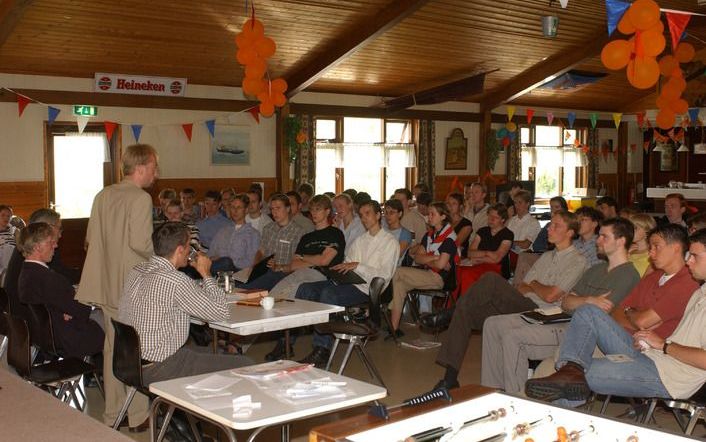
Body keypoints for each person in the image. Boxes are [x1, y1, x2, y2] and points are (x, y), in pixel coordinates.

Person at [525, 227, 706, 403]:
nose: (688, 261)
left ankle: (543, 415)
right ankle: (569, 373)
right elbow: (619, 311)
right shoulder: (700, 292)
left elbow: (644, 322)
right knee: (587, 313)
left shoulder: (689, 285)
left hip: (672, 377)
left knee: (570, 376)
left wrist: (663, 344)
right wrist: (634, 317)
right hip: (652, 356)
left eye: (694, 256)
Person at [423, 210, 588, 391]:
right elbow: (521, 287)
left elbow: (551, 296)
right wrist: (535, 286)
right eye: (550, 224)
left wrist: (533, 285)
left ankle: (448, 314)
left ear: (570, 232)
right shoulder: (546, 256)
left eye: (556, 226)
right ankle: (450, 379)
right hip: (522, 302)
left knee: (491, 279)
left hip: (543, 312)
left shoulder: (578, 261)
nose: (549, 229)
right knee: (466, 313)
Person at [479, 218, 640, 394]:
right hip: (564, 320)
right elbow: (566, 302)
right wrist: (589, 300)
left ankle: (516, 397)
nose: (598, 240)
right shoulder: (596, 269)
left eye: (604, 236)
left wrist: (581, 301)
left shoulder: (628, 275)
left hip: (585, 336)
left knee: (513, 337)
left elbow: (601, 312)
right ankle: (493, 390)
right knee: (492, 323)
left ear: (621, 241)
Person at [76, 143, 158, 428]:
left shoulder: (103, 194)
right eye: (154, 167)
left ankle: (114, 413)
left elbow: (89, 240)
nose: (156, 174)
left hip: (107, 284)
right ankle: (137, 415)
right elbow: (141, 244)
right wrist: (163, 258)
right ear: (142, 167)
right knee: (135, 349)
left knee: (113, 347)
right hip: (131, 285)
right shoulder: (140, 199)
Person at [119, 222, 251, 385]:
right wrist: (206, 273)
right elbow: (220, 311)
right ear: (180, 250)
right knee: (246, 364)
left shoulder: (137, 270)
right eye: (189, 245)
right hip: (161, 366)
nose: (191, 250)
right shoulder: (175, 280)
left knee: (218, 352)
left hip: (128, 362)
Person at [296, 200, 399, 366]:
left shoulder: (389, 242)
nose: (364, 218)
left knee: (328, 294)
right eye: (362, 215)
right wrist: (340, 269)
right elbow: (348, 262)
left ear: (378, 215)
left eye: (368, 214)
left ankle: (321, 349)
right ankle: (289, 339)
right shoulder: (360, 240)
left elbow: (384, 275)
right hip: (350, 281)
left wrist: (359, 266)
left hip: (369, 287)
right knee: (306, 289)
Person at [265, 195, 346, 360]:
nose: (314, 213)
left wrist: (305, 258)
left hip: (324, 275)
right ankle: (284, 341)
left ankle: (287, 341)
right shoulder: (307, 237)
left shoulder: (335, 234)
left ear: (327, 211)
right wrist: (313, 259)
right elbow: (293, 264)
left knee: (289, 293)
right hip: (301, 273)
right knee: (274, 295)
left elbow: (325, 261)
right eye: (312, 210)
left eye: (318, 210)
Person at [17, 222, 104, 359]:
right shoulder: (48, 279)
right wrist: (82, 306)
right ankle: (108, 372)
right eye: (51, 242)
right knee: (111, 321)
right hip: (68, 338)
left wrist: (65, 310)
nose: (55, 245)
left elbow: (57, 303)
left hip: (45, 337)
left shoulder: (26, 273)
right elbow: (82, 310)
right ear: (37, 247)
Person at [389, 202, 458, 337]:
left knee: (398, 271)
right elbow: (417, 259)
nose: (428, 217)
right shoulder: (429, 236)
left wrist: (429, 259)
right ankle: (394, 329)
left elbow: (440, 266)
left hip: (440, 279)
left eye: (433, 214)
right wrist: (433, 258)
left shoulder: (449, 238)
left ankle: (385, 307)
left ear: (443, 216)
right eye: (428, 214)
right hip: (428, 274)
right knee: (399, 284)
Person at [5, 208, 78, 323]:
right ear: (48, 227)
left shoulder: (27, 246)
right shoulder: (40, 252)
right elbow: (62, 276)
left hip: (21, 315)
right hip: (28, 318)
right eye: (59, 228)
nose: (60, 234)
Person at [239, 193, 304, 291]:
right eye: (272, 209)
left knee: (247, 288)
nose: (274, 212)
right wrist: (255, 266)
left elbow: (297, 261)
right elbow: (261, 251)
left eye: (278, 208)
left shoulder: (298, 231)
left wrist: (278, 266)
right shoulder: (268, 228)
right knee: (237, 280)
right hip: (264, 269)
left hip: (283, 272)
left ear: (287, 209)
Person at [459, 203, 514, 293]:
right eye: (489, 216)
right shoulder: (482, 231)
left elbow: (497, 258)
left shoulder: (507, 234)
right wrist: (487, 253)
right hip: (479, 264)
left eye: (495, 217)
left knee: (467, 274)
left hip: (497, 268)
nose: (491, 219)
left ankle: (467, 302)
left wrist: (479, 259)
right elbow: (470, 252)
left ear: (503, 219)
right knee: (458, 271)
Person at [208, 193, 260, 273]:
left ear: (246, 210)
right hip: (216, 268)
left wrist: (227, 259)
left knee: (226, 261)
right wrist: (212, 258)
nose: (235, 211)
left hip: (236, 271)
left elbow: (250, 261)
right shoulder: (223, 231)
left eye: (239, 207)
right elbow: (211, 253)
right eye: (232, 207)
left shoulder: (253, 234)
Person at [382, 198, 412, 264]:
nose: (388, 215)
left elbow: (396, 255)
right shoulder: (382, 230)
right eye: (386, 212)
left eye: (392, 212)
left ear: (400, 214)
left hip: (393, 268)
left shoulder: (405, 233)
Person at [628, 212, 656, 276]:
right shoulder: (627, 249)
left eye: (635, 228)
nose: (630, 230)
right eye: (629, 227)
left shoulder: (653, 253)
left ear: (647, 231)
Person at [447, 193, 472, 257]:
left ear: (460, 206)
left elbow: (455, 244)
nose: (450, 206)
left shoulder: (466, 224)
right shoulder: (443, 221)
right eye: (448, 203)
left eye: (454, 203)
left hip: (459, 256)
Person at [0, 204, 17, 277]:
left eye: (9, 216)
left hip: (12, 264)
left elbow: (21, 248)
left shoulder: (15, 231)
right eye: (3, 215)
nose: (6, 218)